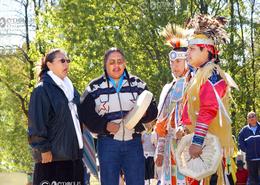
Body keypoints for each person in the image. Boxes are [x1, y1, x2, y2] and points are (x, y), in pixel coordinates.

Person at [79, 47, 158, 185]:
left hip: (134, 142)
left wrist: (145, 114)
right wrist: (104, 126)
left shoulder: (137, 84)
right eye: (112, 62)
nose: (116, 65)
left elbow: (152, 108)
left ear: (125, 63)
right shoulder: (95, 87)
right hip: (107, 143)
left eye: (120, 61)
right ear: (105, 65)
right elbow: (85, 114)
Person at [181, 14, 235, 184]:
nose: (187, 53)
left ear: (207, 50)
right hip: (203, 145)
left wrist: (197, 141)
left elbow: (208, 109)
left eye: (192, 49)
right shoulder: (199, 75)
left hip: (211, 147)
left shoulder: (212, 74)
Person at [28, 49, 84, 184]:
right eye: (62, 60)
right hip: (51, 159)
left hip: (74, 158)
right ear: (49, 65)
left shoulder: (71, 90)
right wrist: (43, 148)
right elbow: (36, 122)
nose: (66, 64)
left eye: (68, 61)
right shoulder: (42, 90)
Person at [155, 24, 196, 185]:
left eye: (178, 61)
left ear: (186, 61)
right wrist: (159, 150)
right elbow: (161, 124)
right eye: (172, 62)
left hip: (191, 144)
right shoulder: (167, 89)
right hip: (169, 149)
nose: (174, 65)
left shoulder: (195, 84)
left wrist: (187, 129)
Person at [238, 111, 260, 185]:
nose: (251, 118)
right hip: (250, 159)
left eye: (253, 116)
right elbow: (240, 141)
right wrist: (246, 150)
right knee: (253, 180)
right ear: (247, 120)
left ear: (256, 118)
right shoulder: (244, 130)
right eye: (249, 117)